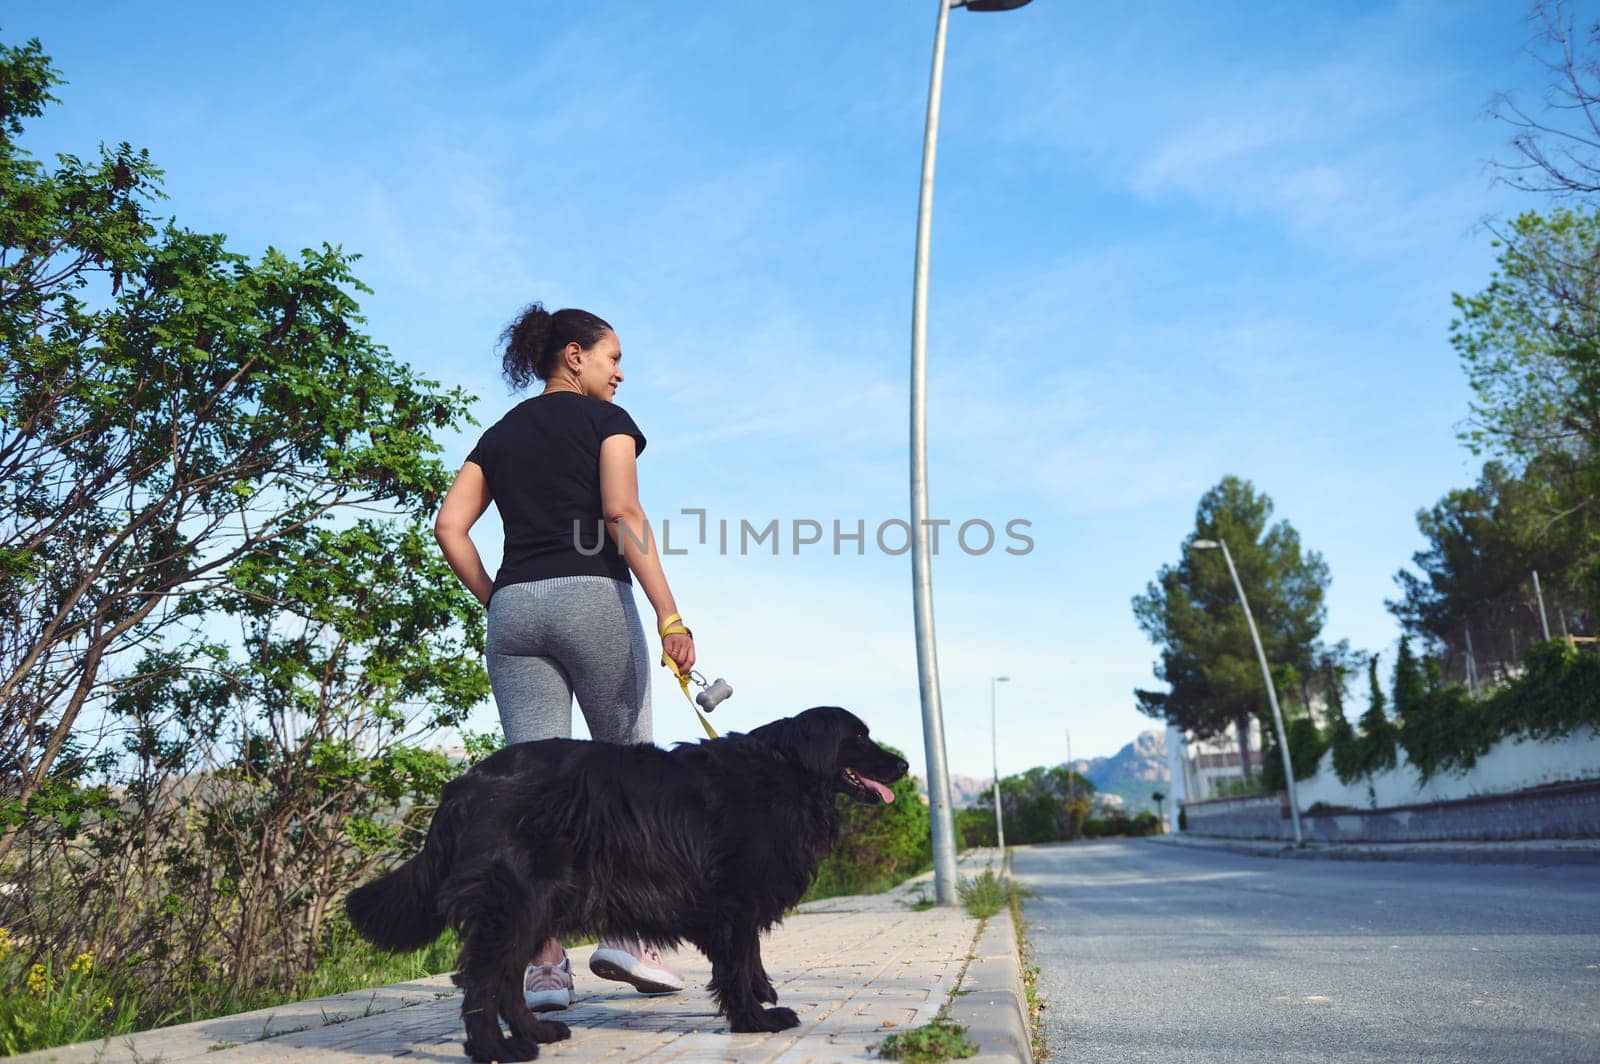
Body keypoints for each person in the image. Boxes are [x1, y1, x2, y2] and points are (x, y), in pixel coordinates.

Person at [433, 302, 696, 1012]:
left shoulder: (500, 434)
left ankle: (544, 969)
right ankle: (629, 938)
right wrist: (669, 612)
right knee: (627, 774)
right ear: (575, 356)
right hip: (592, 599)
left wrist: (496, 595)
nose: (621, 374)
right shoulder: (609, 423)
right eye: (614, 359)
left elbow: (450, 526)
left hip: (515, 611)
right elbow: (623, 515)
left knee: (536, 799)